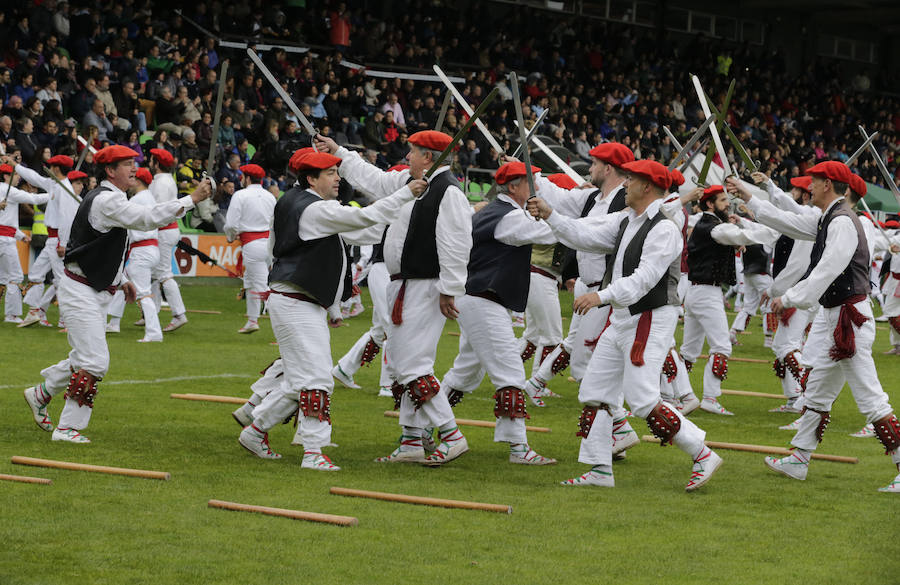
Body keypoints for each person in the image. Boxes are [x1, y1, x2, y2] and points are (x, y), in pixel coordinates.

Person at [528, 160, 723, 491]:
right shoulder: (626, 219)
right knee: (595, 392)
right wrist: (550, 215)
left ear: (646, 187)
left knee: (643, 398)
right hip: (622, 318)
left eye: (631, 179)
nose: (625, 183)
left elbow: (644, 280)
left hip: (648, 318)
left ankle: (702, 452)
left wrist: (600, 296)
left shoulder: (664, 229)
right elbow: (583, 234)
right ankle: (600, 469)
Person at [237, 149, 425, 470]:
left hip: (297, 299)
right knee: (318, 379)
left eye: (337, 172)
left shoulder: (295, 202)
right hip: (297, 301)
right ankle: (313, 451)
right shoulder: (315, 209)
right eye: (330, 173)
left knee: (301, 380)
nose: (338, 178)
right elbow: (362, 218)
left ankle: (256, 430)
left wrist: (401, 216)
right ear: (311, 178)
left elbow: (360, 230)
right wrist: (405, 194)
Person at [727, 162, 900, 492]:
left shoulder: (842, 223)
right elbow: (787, 221)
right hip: (837, 317)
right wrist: (749, 195)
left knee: (871, 398)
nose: (809, 186)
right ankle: (799, 459)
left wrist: (789, 297)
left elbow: (827, 270)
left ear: (828, 185)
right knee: (818, 391)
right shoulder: (830, 218)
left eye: (815, 181)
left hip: (848, 320)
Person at [22, 145, 211, 443]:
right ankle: (67, 428)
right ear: (110, 171)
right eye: (126, 164)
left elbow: (102, 245)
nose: (134, 169)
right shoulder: (107, 200)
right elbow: (148, 219)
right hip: (81, 289)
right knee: (95, 361)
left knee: (83, 356)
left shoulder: (109, 197)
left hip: (91, 287)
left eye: (134, 163)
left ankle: (40, 394)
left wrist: (121, 279)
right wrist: (192, 199)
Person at [314, 130, 472, 466]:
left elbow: (456, 242)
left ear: (428, 157)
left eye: (413, 151)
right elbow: (372, 178)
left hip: (426, 285)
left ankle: (451, 435)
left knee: (412, 364)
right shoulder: (407, 181)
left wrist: (449, 288)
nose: (408, 156)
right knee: (403, 363)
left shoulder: (449, 192)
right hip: (405, 283)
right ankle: (412, 441)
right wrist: (339, 151)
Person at [440, 161, 557, 465]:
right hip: (482, 299)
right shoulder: (508, 217)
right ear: (515, 187)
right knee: (510, 372)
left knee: (466, 372)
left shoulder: (496, 212)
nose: (536, 189)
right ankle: (518, 447)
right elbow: (549, 234)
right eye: (530, 183)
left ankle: (422, 425)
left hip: (478, 298)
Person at [524, 143, 632, 395]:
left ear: (607, 168)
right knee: (580, 347)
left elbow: (591, 235)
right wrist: (528, 171)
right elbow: (558, 197)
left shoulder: (625, 201)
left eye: (594, 164)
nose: (589, 168)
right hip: (586, 285)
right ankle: (540, 385)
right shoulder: (591, 197)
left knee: (591, 352)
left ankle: (608, 408)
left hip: (606, 289)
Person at [678, 184, 775, 416]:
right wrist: (772, 230)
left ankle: (671, 393)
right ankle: (710, 398)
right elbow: (740, 235)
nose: (727, 204)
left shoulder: (709, 225)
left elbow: (732, 237)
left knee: (689, 350)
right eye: (722, 201)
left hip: (697, 292)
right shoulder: (714, 228)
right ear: (710, 204)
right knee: (721, 346)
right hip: (706, 293)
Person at [331, 163, 409, 395]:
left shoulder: (403, 206)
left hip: (392, 271)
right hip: (383, 270)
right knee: (392, 326)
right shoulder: (388, 207)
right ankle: (388, 382)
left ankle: (344, 369)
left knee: (379, 329)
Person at [518, 173, 575, 404]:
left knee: (532, 336)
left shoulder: (543, 216)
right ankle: (536, 386)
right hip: (541, 277)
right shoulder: (548, 219)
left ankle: (506, 375)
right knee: (552, 337)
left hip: (537, 277)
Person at [17, 155, 78, 328]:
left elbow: (67, 219)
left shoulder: (64, 188)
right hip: (52, 239)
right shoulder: (54, 185)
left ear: (57, 168)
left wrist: (63, 244)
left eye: (52, 166)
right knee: (36, 274)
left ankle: (67, 320)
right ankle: (35, 312)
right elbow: (34, 178)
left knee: (61, 280)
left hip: (57, 240)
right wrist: (16, 166)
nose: (49, 168)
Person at [105, 168, 163, 341]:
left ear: (138, 181)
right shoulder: (151, 198)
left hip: (141, 250)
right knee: (124, 283)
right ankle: (114, 322)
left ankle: (154, 332)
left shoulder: (136, 200)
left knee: (143, 293)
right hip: (151, 248)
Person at [223, 164, 276, 334]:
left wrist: (231, 236)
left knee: (262, 286)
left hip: (252, 244)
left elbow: (231, 224)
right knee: (252, 281)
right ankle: (252, 320)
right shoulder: (270, 196)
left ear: (246, 178)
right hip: (269, 243)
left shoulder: (241, 195)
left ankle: (282, 329)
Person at [1, 162, 50, 323]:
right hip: (5, 241)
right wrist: (53, 195)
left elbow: (6, 222)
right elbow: (32, 198)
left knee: (2, 278)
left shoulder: (9, 192)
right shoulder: (10, 191)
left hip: (7, 236)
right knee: (15, 276)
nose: (18, 178)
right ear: (7, 176)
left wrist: (20, 235)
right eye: (15, 175)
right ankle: (12, 315)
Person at [147, 148, 188, 332]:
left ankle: (179, 314)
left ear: (156, 163)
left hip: (163, 230)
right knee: (156, 274)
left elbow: (158, 210)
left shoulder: (161, 182)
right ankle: (151, 314)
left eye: (151, 159)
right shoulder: (166, 180)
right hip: (167, 229)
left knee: (163, 274)